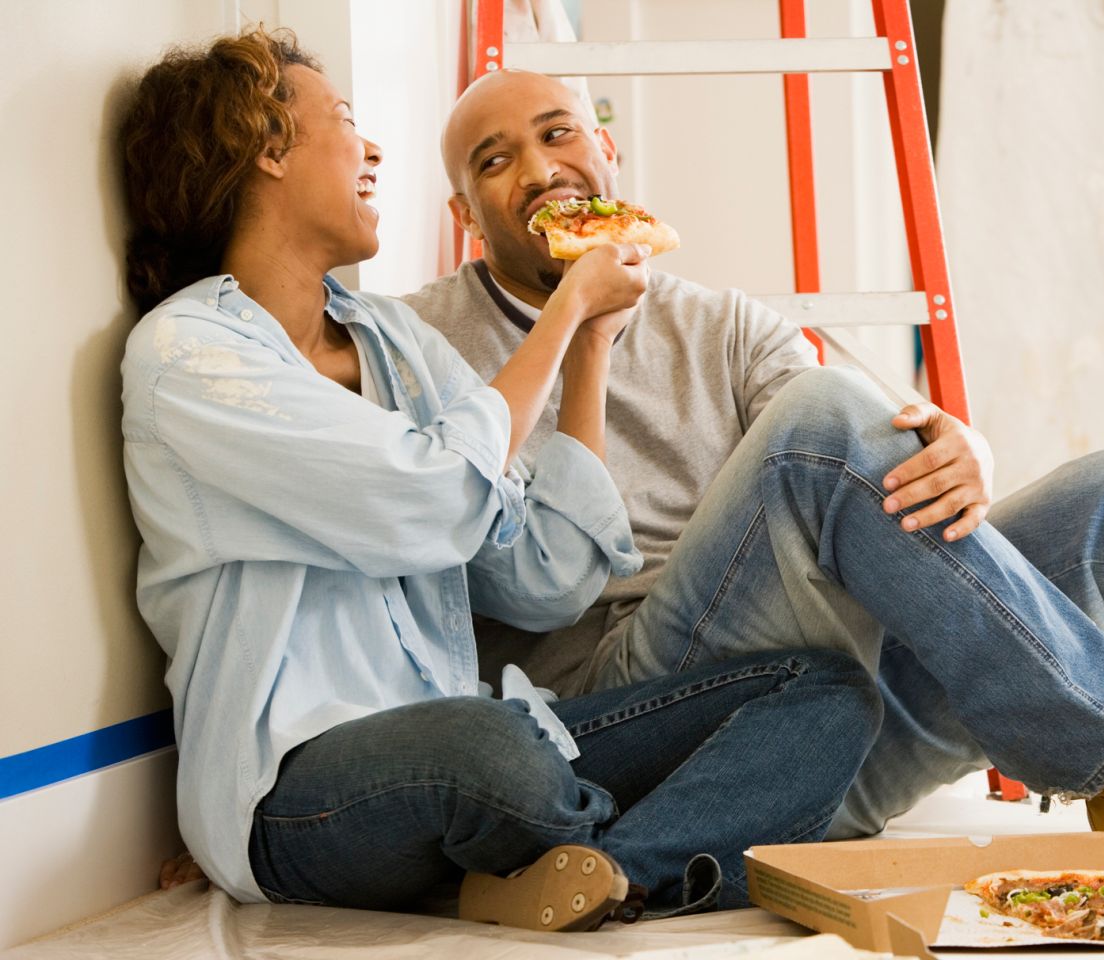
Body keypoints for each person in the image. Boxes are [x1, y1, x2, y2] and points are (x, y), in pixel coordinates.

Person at [403, 68, 1104, 862]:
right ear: (463, 215)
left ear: (606, 148)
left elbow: (869, 449)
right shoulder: (416, 342)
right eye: (494, 161)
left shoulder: (719, 323)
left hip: (840, 724)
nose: (539, 171)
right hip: (643, 728)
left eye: (558, 134)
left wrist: (961, 448)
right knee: (818, 420)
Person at [118, 29, 881, 925]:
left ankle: (610, 876)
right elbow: (432, 495)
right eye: (346, 122)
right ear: (267, 149)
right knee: (493, 752)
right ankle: (684, 835)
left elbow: (548, 574)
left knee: (826, 693)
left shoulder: (391, 341)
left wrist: (591, 340)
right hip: (299, 788)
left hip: (477, 739)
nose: (371, 149)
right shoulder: (190, 357)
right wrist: (563, 314)